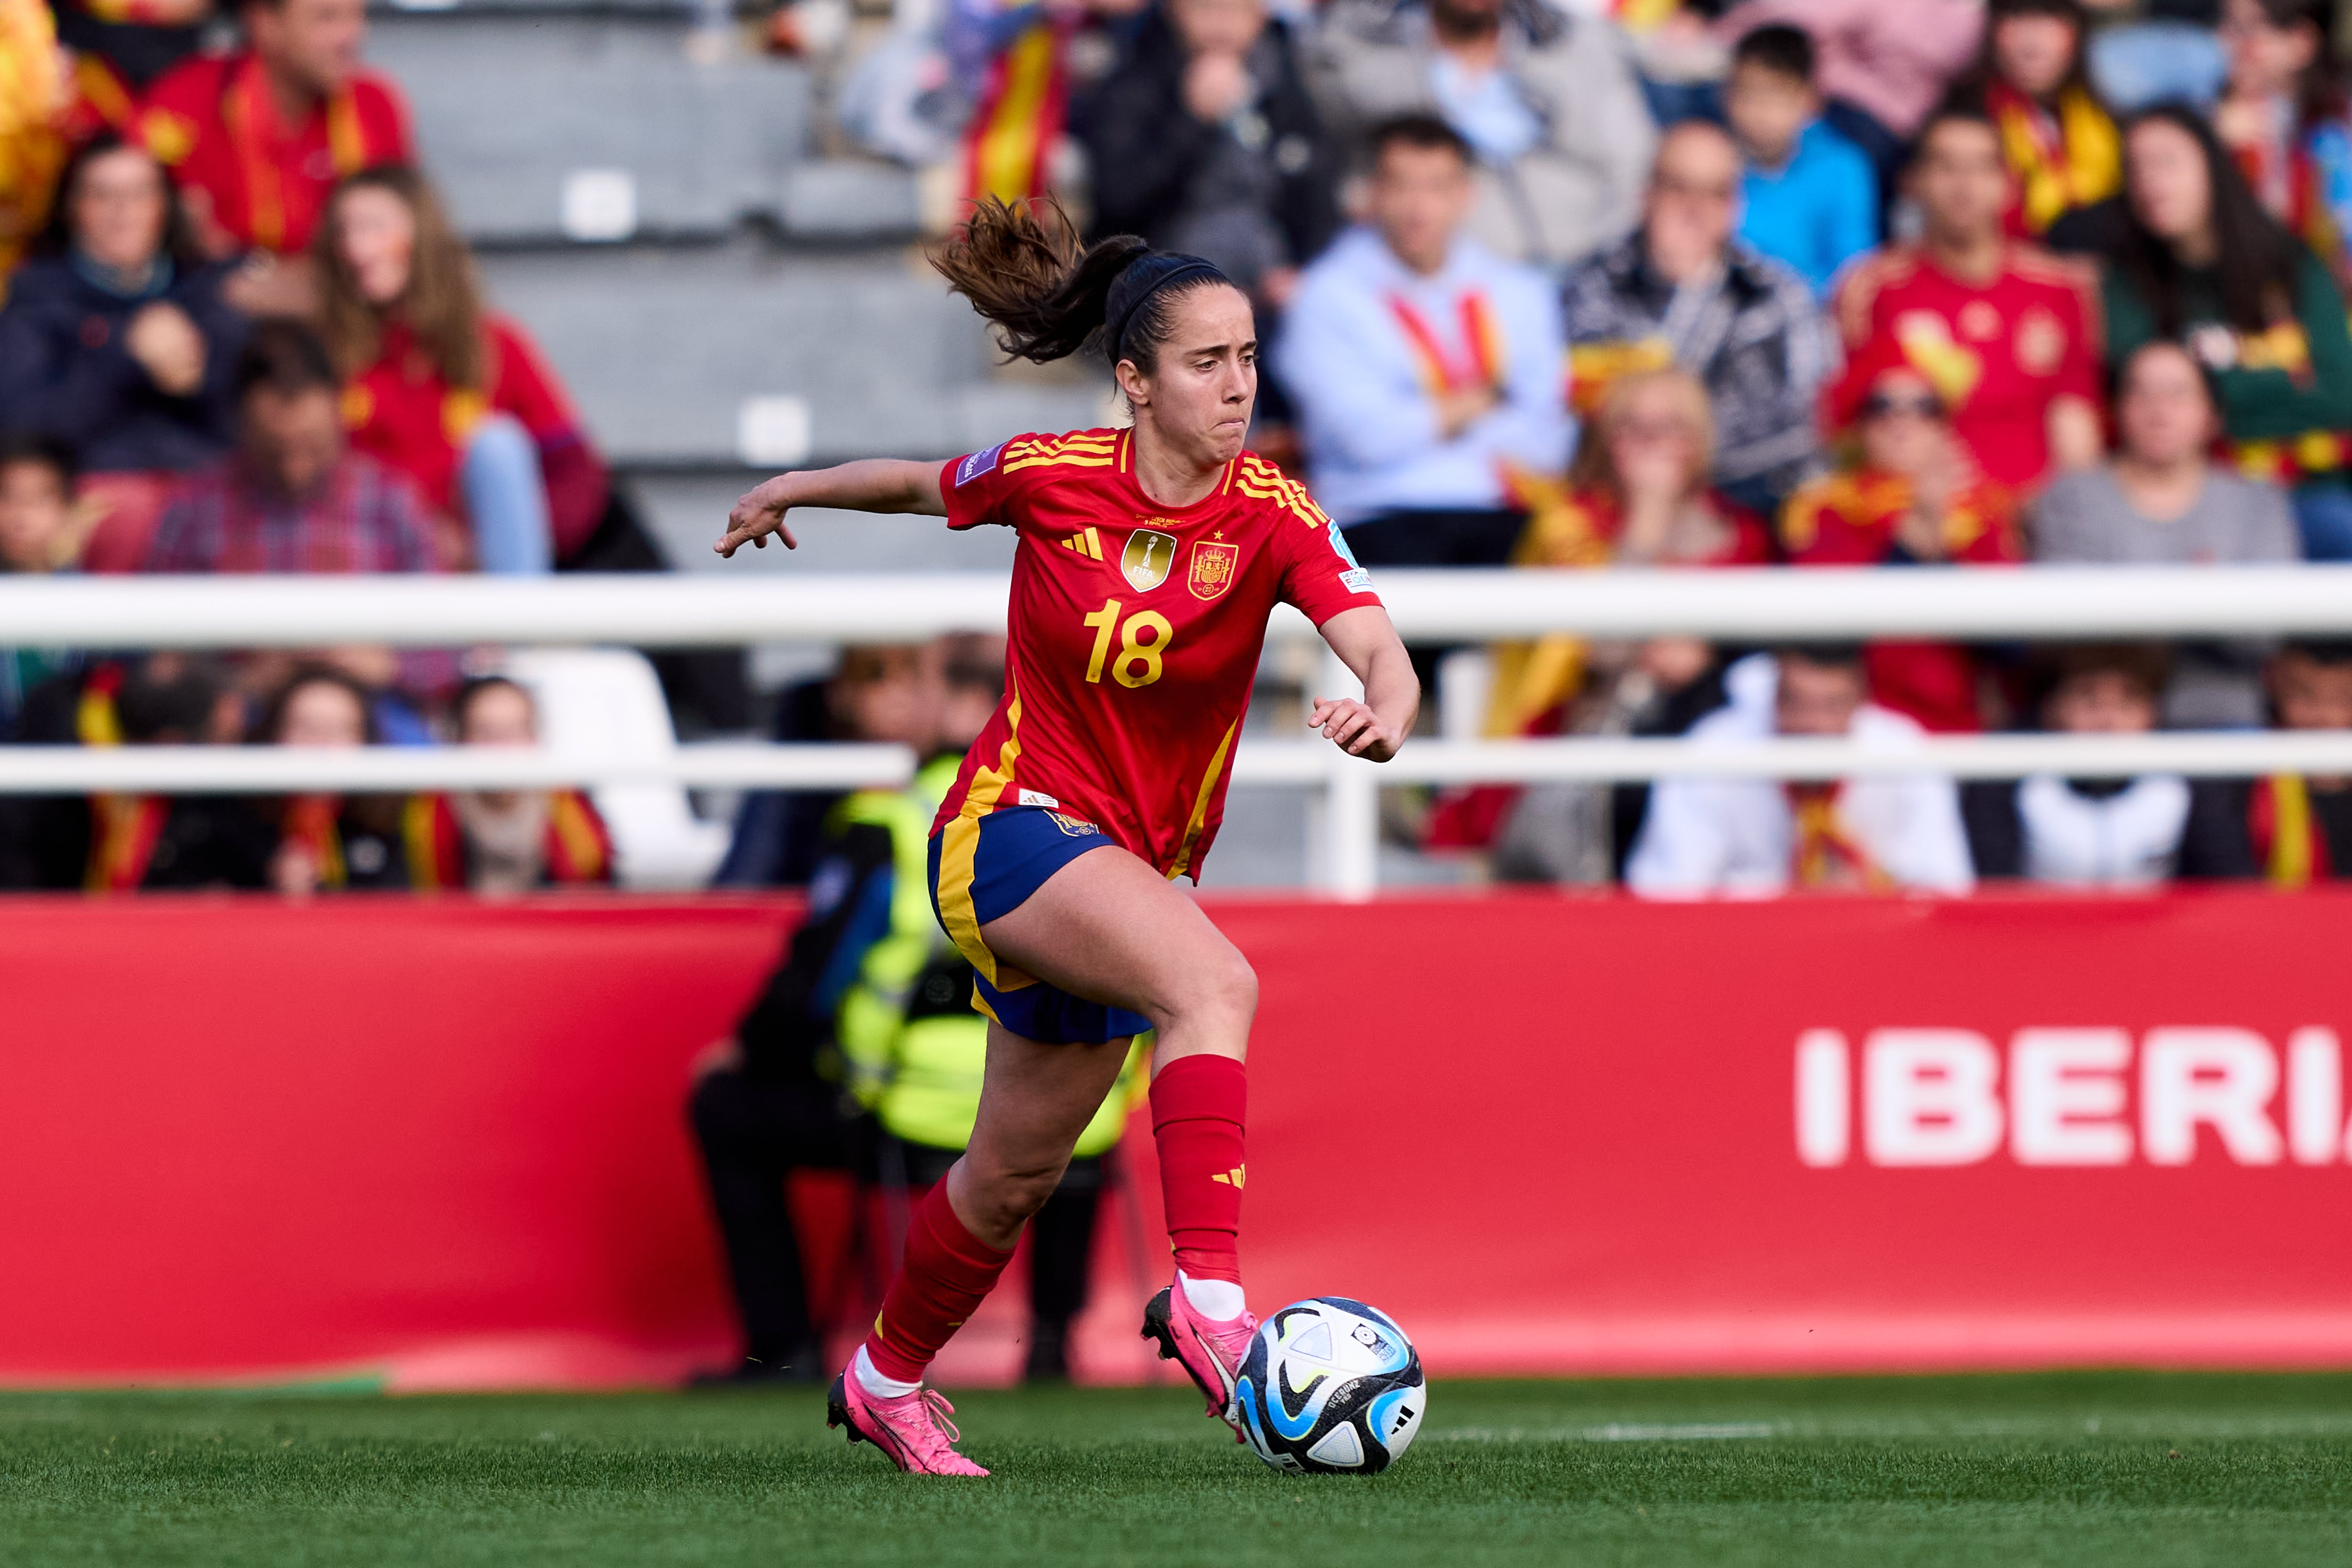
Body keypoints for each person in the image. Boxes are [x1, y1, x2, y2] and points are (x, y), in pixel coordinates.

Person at [714, 197, 1417, 1473]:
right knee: (1213, 979)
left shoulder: (1275, 514)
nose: (1238, 386)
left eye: (1250, 357)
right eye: (1208, 362)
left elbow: (1377, 639)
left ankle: (883, 1377)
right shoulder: (1052, 475)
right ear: (1136, 382)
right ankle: (1211, 1305)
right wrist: (797, 486)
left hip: (1127, 873)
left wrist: (1390, 708)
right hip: (1011, 829)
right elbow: (921, 485)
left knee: (1011, 1175)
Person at [691, 640, 1137, 1388]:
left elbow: (823, 977)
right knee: (1066, 1094)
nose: (905, 703)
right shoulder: (1102, 819)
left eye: (919, 684)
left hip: (915, 1114)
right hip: (1078, 1118)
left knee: (724, 1108)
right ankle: (1055, 1346)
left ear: (969, 708)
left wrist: (766, 1052)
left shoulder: (891, 821)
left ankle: (785, 1350)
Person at [1478, 367, 1765, 883]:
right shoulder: (1569, 525)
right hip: (1596, 730)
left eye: (1670, 428)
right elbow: (1600, 649)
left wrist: (1704, 657)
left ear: (1699, 440)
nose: (1652, 445)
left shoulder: (1743, 533)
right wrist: (1645, 525)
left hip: (1715, 729)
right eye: (1633, 429)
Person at [1273, 115, 1567, 565]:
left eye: (1437, 187)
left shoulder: (1520, 291)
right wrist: (1481, 401)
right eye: (1402, 185)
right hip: (1376, 513)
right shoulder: (1323, 297)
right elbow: (1363, 438)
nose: (1419, 207)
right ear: (1372, 192)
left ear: (1467, 195)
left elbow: (1546, 438)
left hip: (1505, 508)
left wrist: (1415, 418)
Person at [314, 167, 610, 575]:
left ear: (423, 234)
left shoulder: (497, 345)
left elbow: (575, 475)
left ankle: (512, 631)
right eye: (343, 233)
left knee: (498, 445)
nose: (355, 249)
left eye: (373, 228)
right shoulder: (324, 356)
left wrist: (483, 539)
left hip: (483, 570)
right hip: (374, 566)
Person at [2104, 103, 2352, 558]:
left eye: (2165, 161)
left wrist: (2204, 397)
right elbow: (2145, 407)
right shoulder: (2126, 282)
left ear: (2212, 165)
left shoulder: (2291, 263)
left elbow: (2339, 396)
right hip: (2183, 497)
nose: (2148, 181)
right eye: (2133, 167)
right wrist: (2287, 385)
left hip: (2307, 490)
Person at [1563, 119, 1838, 517]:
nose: (1696, 208)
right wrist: (1684, 291)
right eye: (1680, 187)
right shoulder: (1595, 283)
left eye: (1716, 193)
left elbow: (1798, 427)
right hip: (1617, 502)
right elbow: (1592, 416)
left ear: (1736, 206)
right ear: (1647, 194)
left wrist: (1694, 289)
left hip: (1746, 504)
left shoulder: (1777, 294)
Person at [1835, 105, 2107, 499]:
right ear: (1914, 182)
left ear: (2010, 185)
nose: (1965, 185)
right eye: (1946, 167)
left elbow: (2076, 435)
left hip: (2031, 528)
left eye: (1982, 167)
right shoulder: (1871, 288)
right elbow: (1850, 437)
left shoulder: (2060, 289)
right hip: (1915, 526)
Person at [0, 133, 245, 571]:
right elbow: (21, 425)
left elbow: (248, 419)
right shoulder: (36, 298)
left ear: (164, 206)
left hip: (205, 495)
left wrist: (195, 375)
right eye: (102, 195)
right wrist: (124, 357)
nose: (122, 212)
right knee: (128, 518)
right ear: (72, 207)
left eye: (138, 194)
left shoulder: (206, 292)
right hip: (91, 500)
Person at [2031, 340, 2298, 727]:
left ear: (2212, 414)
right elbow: (2062, 627)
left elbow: (2267, 634)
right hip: (2100, 723)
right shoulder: (2072, 496)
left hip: (2222, 722)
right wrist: (2208, 598)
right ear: (2117, 408)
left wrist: (2124, 597)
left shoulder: (2258, 502)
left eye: (2178, 393)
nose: (2159, 411)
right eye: (2141, 393)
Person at [1305, 0, 1655, 268]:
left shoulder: (1573, 48)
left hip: (1576, 271)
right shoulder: (1367, 55)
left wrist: (1599, 264)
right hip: (1433, 289)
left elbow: (1631, 169)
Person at [1626, 644, 1977, 895]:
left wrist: (1872, 897)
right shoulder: (1713, 752)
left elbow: (1946, 885)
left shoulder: (1904, 752)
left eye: (1832, 705)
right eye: (1797, 702)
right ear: (1774, 695)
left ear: (1861, 700)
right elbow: (1668, 892)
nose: (1815, 725)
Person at [1790, 355, 2023, 733]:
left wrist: (1938, 542)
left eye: (1923, 407)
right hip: (1859, 732)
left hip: (1962, 735)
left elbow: (2013, 643)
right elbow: (1826, 632)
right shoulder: (1823, 509)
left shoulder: (1985, 513)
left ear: (1944, 427)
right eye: (1882, 407)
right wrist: (1920, 533)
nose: (1901, 421)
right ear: (1859, 424)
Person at [137, 0, 412, 312]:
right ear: (264, 23)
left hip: (350, 313)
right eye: (327, 18)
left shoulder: (374, 105)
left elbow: (402, 246)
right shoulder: (184, 104)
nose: (352, 36)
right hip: (223, 325)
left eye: (358, 16)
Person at [1074, 0, 1340, 312]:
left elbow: (1318, 183)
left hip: (1268, 285)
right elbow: (1118, 196)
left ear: (1260, 16)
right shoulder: (1136, 76)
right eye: (1205, 9)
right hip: (1159, 287)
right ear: (1174, 11)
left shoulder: (1284, 79)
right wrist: (1191, 119)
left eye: (1236, 10)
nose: (1221, 26)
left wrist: (1299, 265)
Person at [144, 318, 445, 573]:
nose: (293, 470)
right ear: (241, 424)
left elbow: (440, 633)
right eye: (275, 451)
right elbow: (156, 632)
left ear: (338, 415)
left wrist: (377, 644)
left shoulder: (391, 505)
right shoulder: (195, 510)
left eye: (311, 447)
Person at [1962, 644, 2257, 883]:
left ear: (2153, 712)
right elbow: (1993, 888)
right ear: (2052, 709)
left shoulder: (2192, 776)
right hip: (2041, 940)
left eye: (2128, 700)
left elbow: (2226, 886)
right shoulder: (2003, 772)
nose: (2108, 720)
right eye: (2088, 698)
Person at [715, 645, 945, 889]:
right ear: (840, 693)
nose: (897, 698)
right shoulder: (800, 761)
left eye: (914, 677)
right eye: (876, 676)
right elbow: (744, 883)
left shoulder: (969, 771)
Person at [1709, 0, 1988, 184]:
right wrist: (1720, 31)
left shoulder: (1974, 17)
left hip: (1913, 128)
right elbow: (1805, 14)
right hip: (1849, 109)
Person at [404, 677, 612, 893]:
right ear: (461, 739)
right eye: (486, 732)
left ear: (535, 737)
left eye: (516, 730)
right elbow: (434, 900)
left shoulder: (567, 801)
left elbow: (590, 889)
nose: (502, 746)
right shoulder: (433, 809)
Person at [1723, 24, 1878, 296]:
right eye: (1746, 93)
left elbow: (1852, 276)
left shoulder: (1844, 169)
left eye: (1776, 96)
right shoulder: (1712, 164)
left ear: (1809, 99)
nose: (1759, 112)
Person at [2212, 0, 2351, 287]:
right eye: (2225, 23)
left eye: (2248, 28)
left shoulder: (2336, 134)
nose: (2225, 40)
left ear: (2302, 42)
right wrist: (2211, 145)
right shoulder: (2202, 121)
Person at [1967, 0, 2124, 239]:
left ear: (2077, 31)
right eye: (2016, 16)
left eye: (2049, 17)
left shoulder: (2105, 116)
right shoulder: (1967, 121)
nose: (2032, 42)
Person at [261, 663, 409, 894]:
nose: (322, 744)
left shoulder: (400, 817)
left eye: (340, 729)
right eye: (306, 727)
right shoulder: (233, 817)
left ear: (366, 739)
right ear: (275, 733)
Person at [0, 436, 93, 740]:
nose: (20, 516)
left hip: (71, 765)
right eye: (6, 497)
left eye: (39, 500)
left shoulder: (94, 600)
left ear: (69, 510)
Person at [2249, 639, 2352, 883]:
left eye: (2346, 697)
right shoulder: (2236, 773)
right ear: (2272, 681)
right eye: (2305, 695)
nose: (2327, 716)